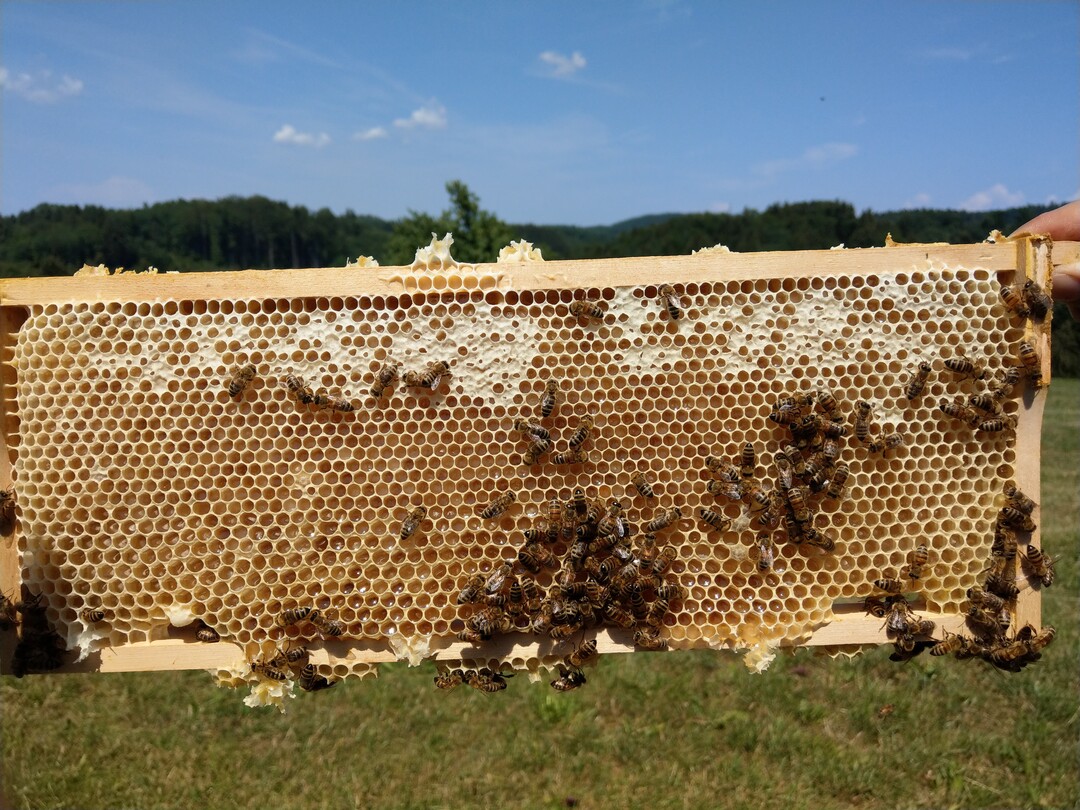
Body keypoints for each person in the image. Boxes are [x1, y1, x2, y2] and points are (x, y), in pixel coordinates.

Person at [1012, 199, 1080, 320]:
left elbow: (1032, 298)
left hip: (1040, 303)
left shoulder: (1032, 291)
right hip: (1041, 302)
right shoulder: (1035, 288)